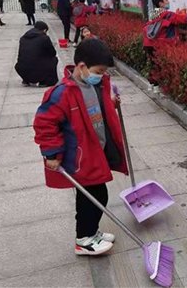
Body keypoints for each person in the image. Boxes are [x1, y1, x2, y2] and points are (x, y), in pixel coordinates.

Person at [33, 38, 128, 256]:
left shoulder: (95, 84)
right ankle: (83, 239)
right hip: (79, 157)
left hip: (96, 151)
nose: (101, 75)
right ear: (82, 66)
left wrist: (112, 102)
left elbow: (96, 106)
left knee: (97, 195)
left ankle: (92, 232)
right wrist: (50, 153)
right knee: (92, 197)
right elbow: (44, 123)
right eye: (99, 70)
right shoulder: (62, 93)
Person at [14, 21, 58, 87]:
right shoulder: (44, 38)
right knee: (54, 59)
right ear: (44, 30)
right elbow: (53, 53)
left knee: (29, 59)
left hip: (22, 69)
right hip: (38, 71)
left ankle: (26, 80)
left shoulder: (23, 38)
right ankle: (44, 81)